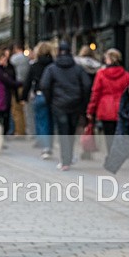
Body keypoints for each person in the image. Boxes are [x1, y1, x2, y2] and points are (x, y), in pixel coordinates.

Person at [40, 41, 91, 171]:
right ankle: (69, 156)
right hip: (75, 104)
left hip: (58, 104)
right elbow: (87, 85)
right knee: (71, 131)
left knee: (63, 131)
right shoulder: (78, 69)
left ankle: (65, 160)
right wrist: (83, 102)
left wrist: (50, 100)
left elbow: (44, 85)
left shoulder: (51, 69)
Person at [87, 48, 129, 153]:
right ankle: (117, 155)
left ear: (109, 59)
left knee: (108, 135)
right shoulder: (126, 75)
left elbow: (95, 93)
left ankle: (110, 155)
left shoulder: (101, 74)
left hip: (105, 109)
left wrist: (90, 110)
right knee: (119, 134)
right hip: (121, 107)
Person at [22, 41, 55, 160]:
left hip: (40, 95)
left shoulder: (35, 66)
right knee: (51, 121)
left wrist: (23, 97)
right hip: (54, 96)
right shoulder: (54, 65)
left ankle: (45, 147)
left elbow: (27, 82)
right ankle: (49, 144)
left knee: (41, 121)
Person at [0, 49, 21, 137]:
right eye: (4, 59)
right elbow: (10, 82)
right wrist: (21, 83)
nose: (6, 62)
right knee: (0, 121)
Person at [9, 43, 31, 136]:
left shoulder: (14, 59)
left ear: (15, 48)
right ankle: (26, 129)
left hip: (17, 85)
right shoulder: (27, 58)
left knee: (16, 109)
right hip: (26, 85)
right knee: (25, 109)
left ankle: (19, 131)